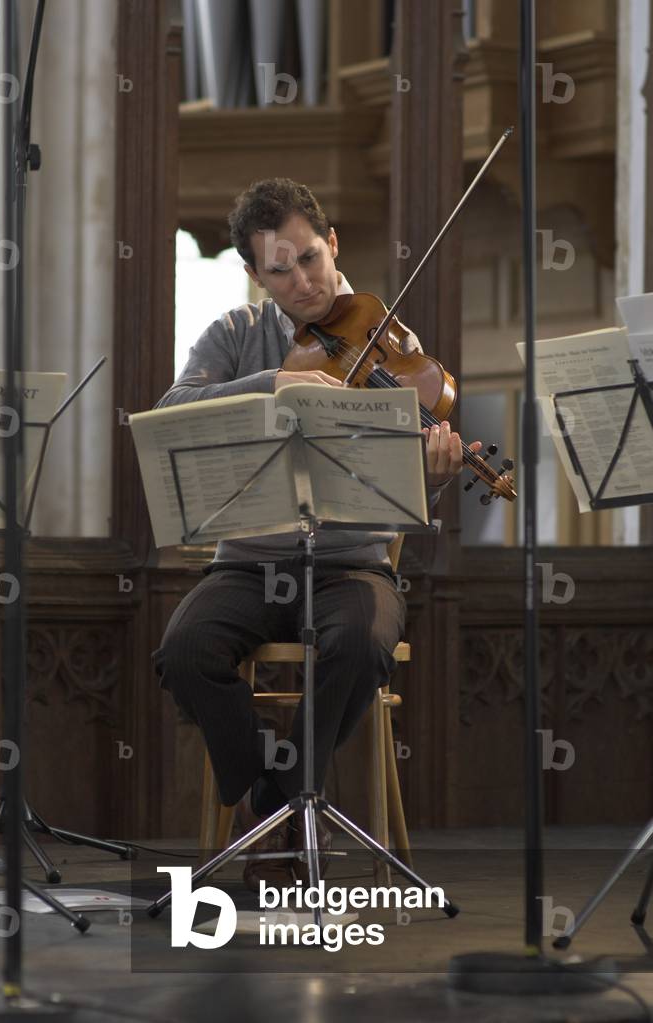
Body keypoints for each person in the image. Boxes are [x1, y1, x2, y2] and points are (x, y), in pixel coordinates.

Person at [152, 178, 481, 891]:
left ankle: (275, 806)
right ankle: (281, 804)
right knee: (185, 649)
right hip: (247, 565)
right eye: (280, 269)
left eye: (309, 257)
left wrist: (438, 471)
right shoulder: (234, 337)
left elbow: (403, 489)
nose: (302, 281)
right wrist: (272, 380)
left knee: (362, 642)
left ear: (332, 244)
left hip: (350, 567)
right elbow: (174, 410)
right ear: (253, 274)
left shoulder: (387, 340)